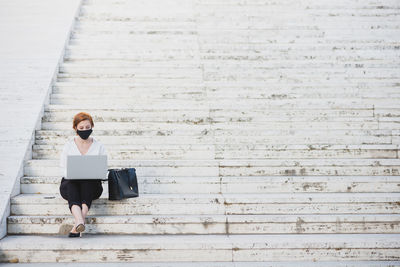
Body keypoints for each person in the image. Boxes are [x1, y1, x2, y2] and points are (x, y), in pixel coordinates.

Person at [59, 112, 107, 237]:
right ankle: (80, 222)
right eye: (81, 128)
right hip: (71, 185)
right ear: (75, 128)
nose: (84, 130)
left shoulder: (99, 146)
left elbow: (103, 169)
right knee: (71, 183)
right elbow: (63, 169)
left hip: (92, 186)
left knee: (88, 182)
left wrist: (96, 173)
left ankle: (78, 223)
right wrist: (74, 173)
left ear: (92, 127)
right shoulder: (68, 146)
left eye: (87, 127)